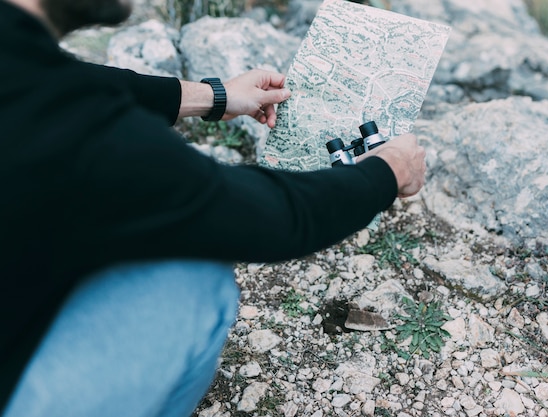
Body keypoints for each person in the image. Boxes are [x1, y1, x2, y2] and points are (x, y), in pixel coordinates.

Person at [0, 0, 427, 416]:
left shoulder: (29, 78)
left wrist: (213, 96)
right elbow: (270, 215)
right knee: (193, 281)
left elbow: (72, 82)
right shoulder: (81, 129)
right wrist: (387, 171)